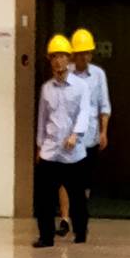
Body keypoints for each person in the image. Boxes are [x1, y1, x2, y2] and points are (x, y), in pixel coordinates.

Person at [34, 34, 96, 247]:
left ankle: (80, 232)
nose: (58, 61)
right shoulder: (46, 89)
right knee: (44, 198)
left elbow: (84, 113)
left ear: (68, 58)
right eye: (54, 57)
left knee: (77, 197)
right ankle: (46, 236)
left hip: (73, 153)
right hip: (50, 151)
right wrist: (39, 146)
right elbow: (42, 118)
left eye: (61, 56)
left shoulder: (81, 86)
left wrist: (75, 135)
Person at [70, 28, 111, 155]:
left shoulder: (98, 74)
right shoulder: (66, 74)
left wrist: (104, 132)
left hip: (90, 138)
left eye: (87, 53)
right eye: (81, 53)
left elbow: (104, 105)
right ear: (74, 54)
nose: (84, 57)